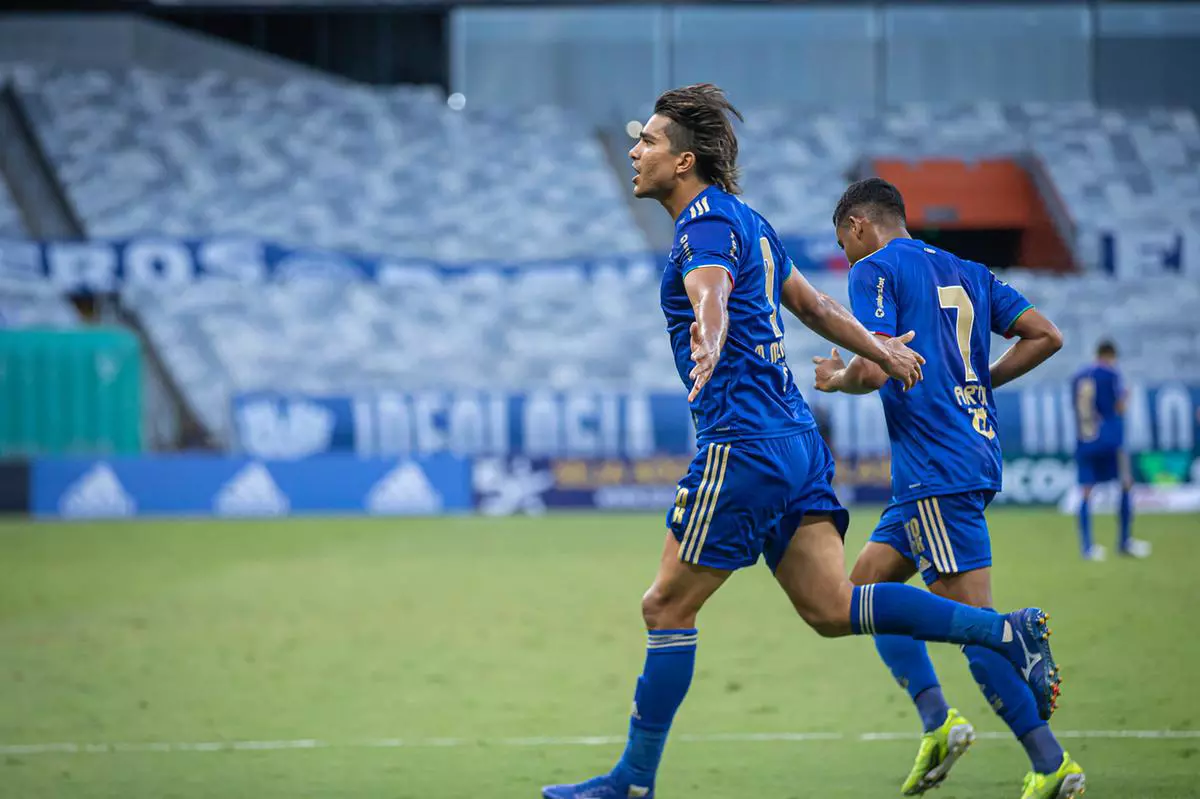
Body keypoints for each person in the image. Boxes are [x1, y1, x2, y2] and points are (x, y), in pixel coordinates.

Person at [542, 87, 1063, 799]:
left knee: (665, 606)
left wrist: (710, 329)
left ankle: (632, 781)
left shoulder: (700, 225)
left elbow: (711, 291)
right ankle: (1001, 633)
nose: (636, 152)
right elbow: (814, 305)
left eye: (650, 143)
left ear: (685, 160)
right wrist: (880, 347)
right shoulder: (752, 222)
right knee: (832, 608)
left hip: (742, 441)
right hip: (797, 442)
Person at [812, 177, 1083, 799]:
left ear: (857, 226)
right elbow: (1046, 335)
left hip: (937, 467)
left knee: (972, 622)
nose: (848, 255)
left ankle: (1052, 765)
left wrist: (841, 379)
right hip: (953, 460)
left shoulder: (875, 268)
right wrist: (976, 383)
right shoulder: (967, 269)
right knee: (861, 593)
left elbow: (880, 351)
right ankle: (940, 722)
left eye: (843, 242)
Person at [1072, 340, 1150, 560]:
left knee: (1086, 491)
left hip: (1085, 440)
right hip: (1110, 440)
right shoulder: (1111, 374)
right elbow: (1118, 407)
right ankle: (1124, 541)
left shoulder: (1079, 376)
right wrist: (1126, 397)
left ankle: (1087, 548)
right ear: (1111, 355)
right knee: (1125, 484)